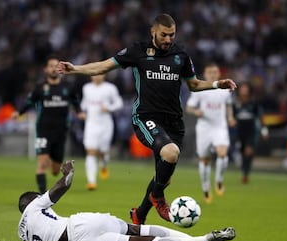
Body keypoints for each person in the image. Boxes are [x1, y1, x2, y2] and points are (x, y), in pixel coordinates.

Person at [57, 13, 236, 224]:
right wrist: (75, 69)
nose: (169, 39)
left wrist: (217, 85)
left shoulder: (181, 56)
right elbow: (104, 66)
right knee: (171, 154)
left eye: (172, 35)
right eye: (164, 35)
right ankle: (157, 198)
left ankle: (139, 215)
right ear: (153, 32)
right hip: (145, 117)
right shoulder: (137, 52)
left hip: (174, 123)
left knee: (164, 178)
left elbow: (194, 84)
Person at [18, 160, 236, 241]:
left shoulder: (24, 236)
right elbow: (62, 186)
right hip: (79, 225)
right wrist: (69, 174)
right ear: (33, 199)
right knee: (137, 229)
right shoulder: (35, 205)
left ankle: (204, 240)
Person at [13, 56, 80, 193]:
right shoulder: (40, 88)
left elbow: (75, 102)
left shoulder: (67, 88)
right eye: (51, 66)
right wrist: (19, 113)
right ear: (46, 69)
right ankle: (42, 197)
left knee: (55, 171)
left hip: (61, 131)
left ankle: (49, 157)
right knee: (42, 163)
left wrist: (80, 112)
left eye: (57, 66)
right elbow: (29, 102)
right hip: (43, 130)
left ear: (60, 69)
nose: (54, 68)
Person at [186, 63, 235, 204]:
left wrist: (230, 117)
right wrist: (196, 111)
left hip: (220, 127)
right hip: (204, 128)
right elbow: (189, 107)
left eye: (215, 72)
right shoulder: (200, 89)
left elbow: (228, 105)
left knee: (222, 153)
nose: (213, 74)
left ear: (219, 74)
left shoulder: (225, 90)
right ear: (205, 74)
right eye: (210, 72)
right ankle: (206, 188)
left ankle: (219, 180)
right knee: (205, 160)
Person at [79, 74, 123, 190]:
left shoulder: (110, 88)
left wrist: (109, 108)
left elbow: (119, 103)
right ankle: (91, 181)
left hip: (105, 124)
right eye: (94, 75)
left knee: (103, 152)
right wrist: (82, 112)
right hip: (91, 124)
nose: (97, 77)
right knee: (91, 151)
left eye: (100, 74)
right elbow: (84, 103)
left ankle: (103, 164)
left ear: (104, 75)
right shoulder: (86, 88)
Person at [232, 83, 268, 184]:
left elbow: (261, 118)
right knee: (242, 152)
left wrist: (264, 131)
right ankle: (244, 169)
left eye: (245, 88)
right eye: (242, 88)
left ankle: (245, 173)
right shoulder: (235, 103)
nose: (244, 90)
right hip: (239, 132)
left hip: (251, 131)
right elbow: (231, 117)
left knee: (249, 152)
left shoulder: (254, 103)